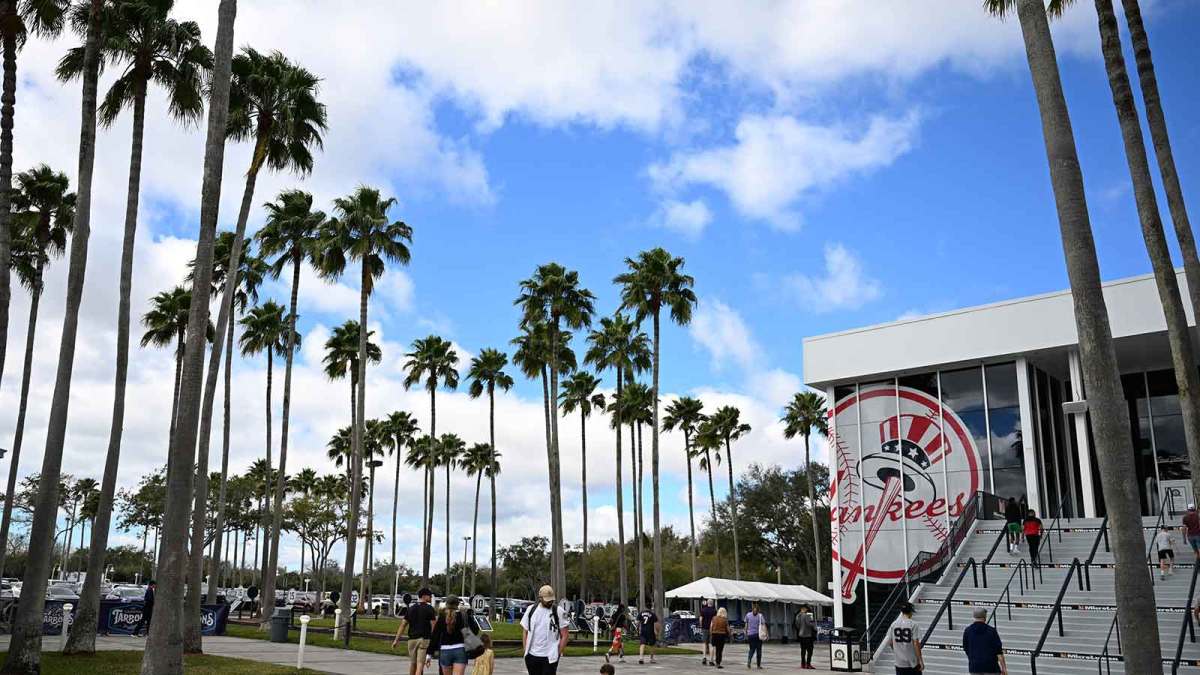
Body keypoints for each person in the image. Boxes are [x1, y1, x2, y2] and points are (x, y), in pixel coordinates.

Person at [521, 585, 570, 675]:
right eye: (547, 600)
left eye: (551, 600)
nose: (550, 602)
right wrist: (526, 651)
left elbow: (565, 635)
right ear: (540, 598)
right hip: (532, 655)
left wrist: (558, 653)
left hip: (550, 657)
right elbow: (525, 631)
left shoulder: (558, 611)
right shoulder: (531, 610)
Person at [428, 595, 480, 675]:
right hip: (460, 649)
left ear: (446, 604)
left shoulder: (442, 618)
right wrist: (470, 617)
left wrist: (429, 654)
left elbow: (435, 635)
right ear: (458, 604)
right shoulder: (463, 616)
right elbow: (475, 631)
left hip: (445, 651)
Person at [394, 588, 437, 675]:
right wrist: (434, 640)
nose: (430, 597)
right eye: (429, 596)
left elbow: (403, 625)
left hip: (411, 641)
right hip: (423, 640)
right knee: (420, 665)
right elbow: (434, 626)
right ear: (424, 596)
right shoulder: (430, 609)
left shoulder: (411, 609)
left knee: (413, 664)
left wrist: (396, 640)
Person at [962, 607, 1007, 675]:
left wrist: (973, 658)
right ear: (985, 616)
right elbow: (998, 651)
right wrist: (1004, 668)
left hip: (975, 667)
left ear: (974, 616)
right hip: (991, 667)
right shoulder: (991, 631)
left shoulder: (967, 631)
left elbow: (966, 648)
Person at [884, 602, 923, 675]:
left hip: (899, 663)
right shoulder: (914, 624)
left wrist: (897, 651)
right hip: (912, 663)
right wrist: (920, 660)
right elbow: (916, 644)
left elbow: (890, 642)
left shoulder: (894, 624)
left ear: (902, 612)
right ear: (911, 612)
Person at [794, 604, 816, 670]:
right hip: (807, 635)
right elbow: (809, 624)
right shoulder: (806, 615)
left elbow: (797, 625)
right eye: (806, 609)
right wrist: (814, 625)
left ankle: (803, 664)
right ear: (805, 609)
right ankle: (808, 664)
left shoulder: (798, 616)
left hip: (801, 635)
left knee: (803, 650)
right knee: (810, 651)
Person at [638, 600, 660, 665]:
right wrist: (657, 631)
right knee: (652, 645)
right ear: (651, 607)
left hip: (643, 631)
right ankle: (651, 658)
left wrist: (639, 629)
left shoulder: (641, 613)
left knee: (642, 644)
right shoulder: (653, 614)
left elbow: (638, 622)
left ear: (645, 607)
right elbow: (656, 624)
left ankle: (641, 658)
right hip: (650, 631)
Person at [744, 602, 764, 670]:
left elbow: (746, 625)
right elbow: (763, 625)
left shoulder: (748, 615)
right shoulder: (760, 616)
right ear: (758, 609)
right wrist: (766, 634)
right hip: (758, 635)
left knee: (751, 649)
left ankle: (749, 660)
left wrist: (746, 633)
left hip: (750, 635)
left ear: (752, 609)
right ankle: (758, 665)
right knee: (759, 650)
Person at [699, 599, 716, 665]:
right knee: (712, 644)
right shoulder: (714, 611)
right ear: (712, 603)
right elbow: (715, 620)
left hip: (704, 628)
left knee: (704, 643)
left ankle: (704, 657)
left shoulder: (703, 610)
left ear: (707, 603)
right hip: (712, 629)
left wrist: (701, 626)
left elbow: (700, 619)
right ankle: (711, 660)